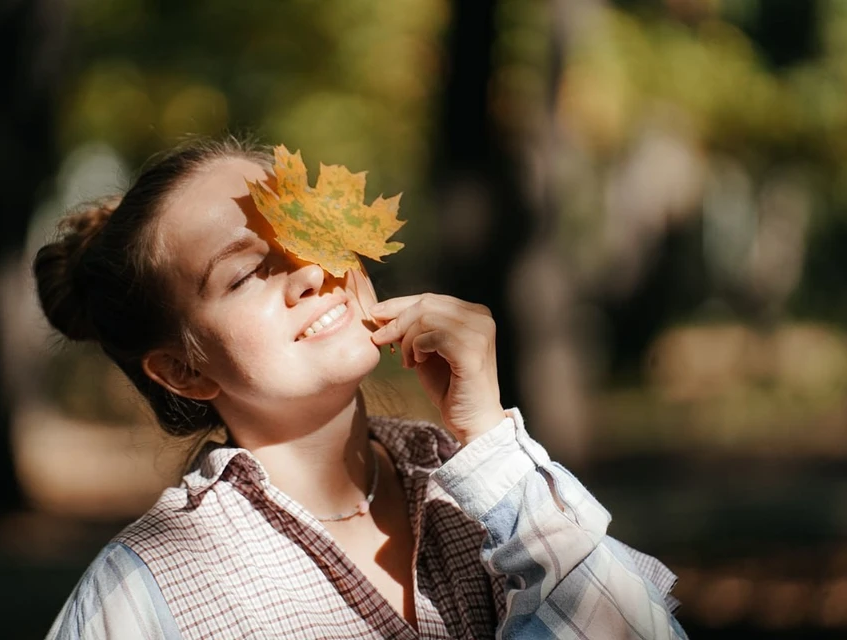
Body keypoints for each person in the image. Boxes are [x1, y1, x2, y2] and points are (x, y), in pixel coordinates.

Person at [35, 137, 687, 639]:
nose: (307, 272)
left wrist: (490, 440)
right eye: (243, 276)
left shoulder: (486, 496)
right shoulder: (149, 591)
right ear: (185, 371)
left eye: (302, 226)